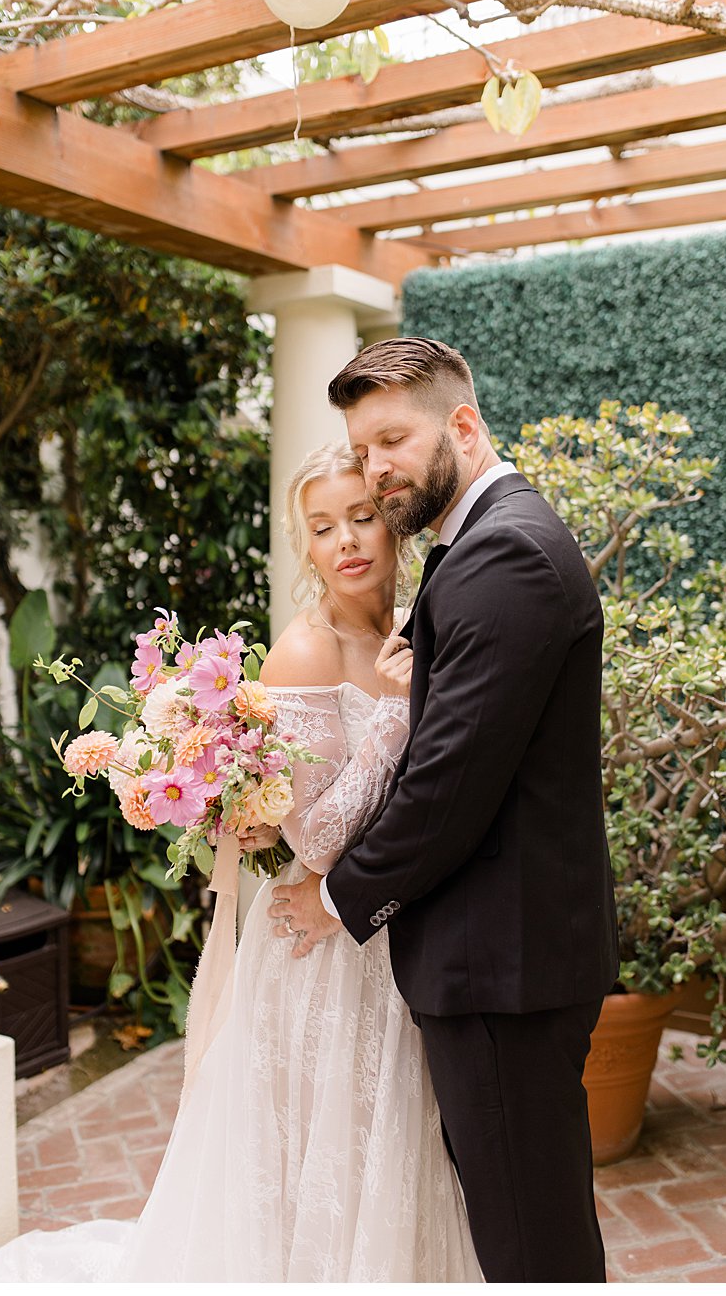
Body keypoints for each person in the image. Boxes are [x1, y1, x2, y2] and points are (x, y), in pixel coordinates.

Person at [0, 443, 482, 1282]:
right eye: (321, 527)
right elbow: (317, 838)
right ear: (305, 545)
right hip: (320, 947)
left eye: (361, 517)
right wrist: (397, 715)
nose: (345, 542)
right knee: (318, 1143)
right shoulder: (305, 652)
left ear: (392, 522)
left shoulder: (412, 626)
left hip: (394, 931)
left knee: (387, 1137)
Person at [270, 336, 616, 1282]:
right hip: (500, 956)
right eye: (362, 448)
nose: (377, 468)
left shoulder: (503, 553)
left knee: (531, 1248)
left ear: (461, 425)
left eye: (392, 440)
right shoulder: (478, 542)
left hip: (500, 966)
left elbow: (447, 786)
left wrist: (335, 899)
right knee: (523, 1224)